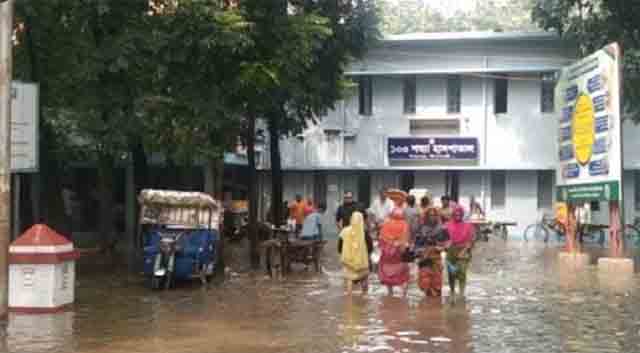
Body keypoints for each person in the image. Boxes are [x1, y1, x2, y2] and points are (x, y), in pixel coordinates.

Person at [415, 208, 450, 297]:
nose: (432, 217)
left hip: (436, 257)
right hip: (424, 257)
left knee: (436, 282)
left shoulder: (442, 228)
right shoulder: (421, 228)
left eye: (434, 215)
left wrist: (441, 247)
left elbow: (448, 242)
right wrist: (420, 250)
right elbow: (417, 243)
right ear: (427, 216)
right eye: (430, 215)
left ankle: (435, 306)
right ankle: (427, 306)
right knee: (425, 281)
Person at [378, 208, 411, 296]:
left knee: (388, 273)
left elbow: (381, 240)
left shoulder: (386, 224)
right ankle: (404, 293)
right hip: (400, 252)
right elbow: (406, 240)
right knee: (403, 273)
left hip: (387, 253)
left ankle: (390, 292)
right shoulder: (405, 225)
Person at [445, 206, 475, 298]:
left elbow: (472, 240)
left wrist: (464, 250)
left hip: (464, 250)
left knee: (462, 271)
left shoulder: (468, 226)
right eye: (456, 213)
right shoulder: (447, 225)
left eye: (459, 213)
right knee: (451, 273)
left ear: (462, 214)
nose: (457, 215)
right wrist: (446, 245)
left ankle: (462, 293)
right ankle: (452, 292)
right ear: (453, 214)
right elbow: (443, 238)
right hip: (450, 251)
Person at [338, 211, 370, 295]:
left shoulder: (345, 230)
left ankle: (349, 299)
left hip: (348, 260)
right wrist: (367, 255)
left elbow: (340, 245)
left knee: (349, 279)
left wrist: (342, 253)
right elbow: (370, 246)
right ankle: (364, 295)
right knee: (364, 277)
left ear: (351, 219)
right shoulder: (364, 232)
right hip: (362, 261)